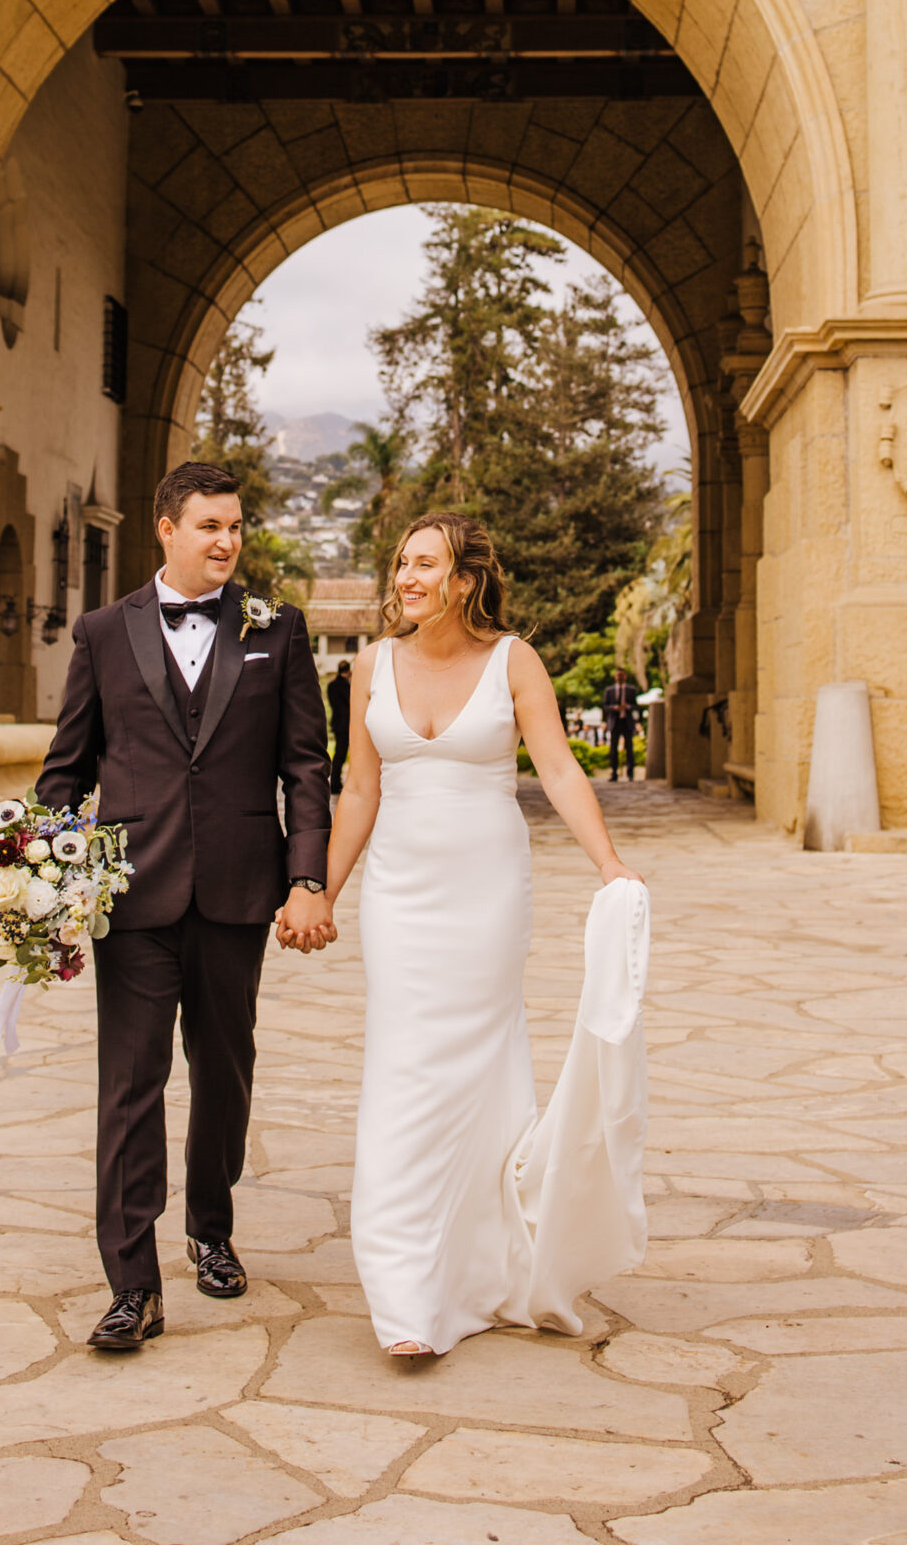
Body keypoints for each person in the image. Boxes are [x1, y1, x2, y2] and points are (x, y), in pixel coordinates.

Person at [282, 511, 646, 1356]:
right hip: (401, 898)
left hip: (487, 892)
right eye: (401, 564)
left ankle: (483, 1269)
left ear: (464, 580)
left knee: (480, 1068)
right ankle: (407, 1296)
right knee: (404, 1070)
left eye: (423, 565)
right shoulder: (370, 666)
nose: (404, 579)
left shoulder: (513, 661)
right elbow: (360, 790)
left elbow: (554, 765)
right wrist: (319, 892)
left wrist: (610, 865)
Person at [36, 460, 332, 1352]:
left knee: (224, 1073)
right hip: (132, 893)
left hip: (238, 891)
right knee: (128, 1088)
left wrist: (307, 877)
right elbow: (68, 766)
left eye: (234, 526)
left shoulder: (275, 630)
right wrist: (38, 874)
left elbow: (305, 767)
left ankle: (209, 1225)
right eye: (209, 525)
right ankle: (132, 1284)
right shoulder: (100, 631)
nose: (226, 541)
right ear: (165, 529)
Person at [604, 669, 642, 782]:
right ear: (615, 677)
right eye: (618, 675)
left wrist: (628, 707)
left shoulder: (631, 690)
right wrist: (614, 707)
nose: (620, 677)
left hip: (627, 721)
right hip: (615, 722)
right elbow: (605, 706)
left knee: (629, 748)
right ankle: (614, 772)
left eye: (622, 675)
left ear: (625, 676)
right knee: (613, 749)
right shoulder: (609, 690)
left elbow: (636, 706)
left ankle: (630, 773)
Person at [327, 657, 352, 794]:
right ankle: (335, 782)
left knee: (339, 754)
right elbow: (350, 703)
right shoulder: (346, 685)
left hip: (337, 723)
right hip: (346, 724)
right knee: (341, 754)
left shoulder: (331, 685)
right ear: (347, 671)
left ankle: (335, 781)